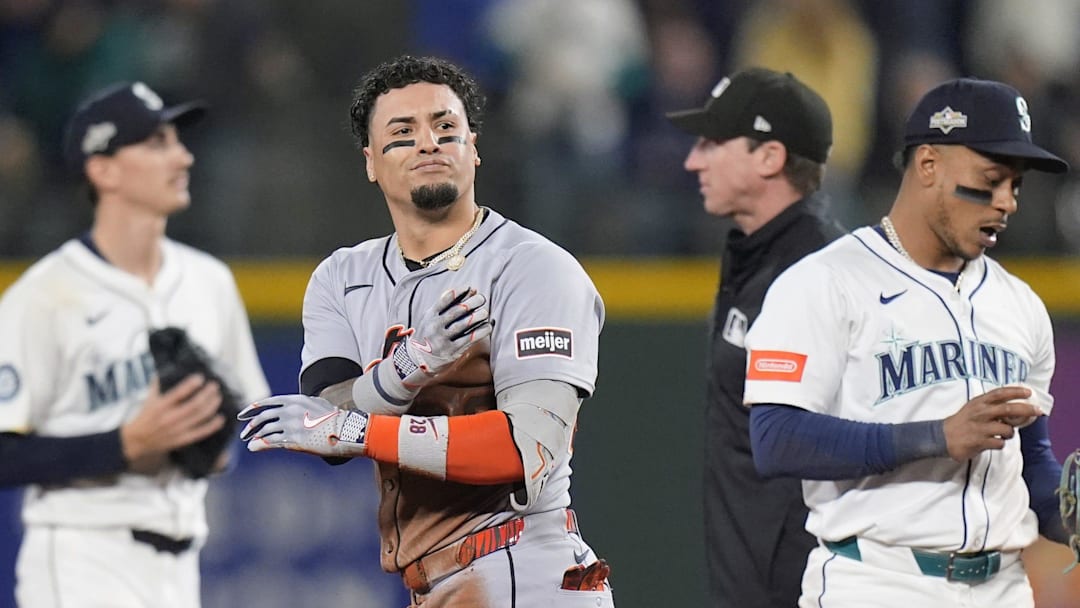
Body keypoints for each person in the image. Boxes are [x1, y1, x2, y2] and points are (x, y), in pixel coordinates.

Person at [236, 54, 613, 608]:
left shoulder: (535, 267)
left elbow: (524, 449)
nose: (429, 143)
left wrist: (361, 429)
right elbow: (329, 419)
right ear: (370, 161)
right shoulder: (343, 277)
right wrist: (402, 373)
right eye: (403, 132)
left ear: (474, 147)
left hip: (521, 564)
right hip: (440, 580)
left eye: (445, 127)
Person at [743, 77, 1072, 607]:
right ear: (928, 165)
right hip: (876, 580)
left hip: (1004, 587)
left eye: (1016, 184)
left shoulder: (1022, 306)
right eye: (991, 179)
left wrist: (1066, 514)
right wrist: (936, 436)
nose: (1006, 201)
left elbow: (1032, 463)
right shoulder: (824, 282)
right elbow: (776, 437)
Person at [0, 82, 270, 607]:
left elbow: (239, 429)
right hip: (80, 561)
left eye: (179, 141)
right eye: (156, 142)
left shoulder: (208, 280)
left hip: (181, 566)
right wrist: (125, 444)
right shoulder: (43, 296)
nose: (183, 155)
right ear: (103, 169)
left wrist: (211, 444)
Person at [665, 67, 845, 608]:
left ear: (769, 157)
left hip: (805, 582)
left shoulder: (822, 273)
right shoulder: (755, 253)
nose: (692, 160)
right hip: (748, 574)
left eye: (713, 142)